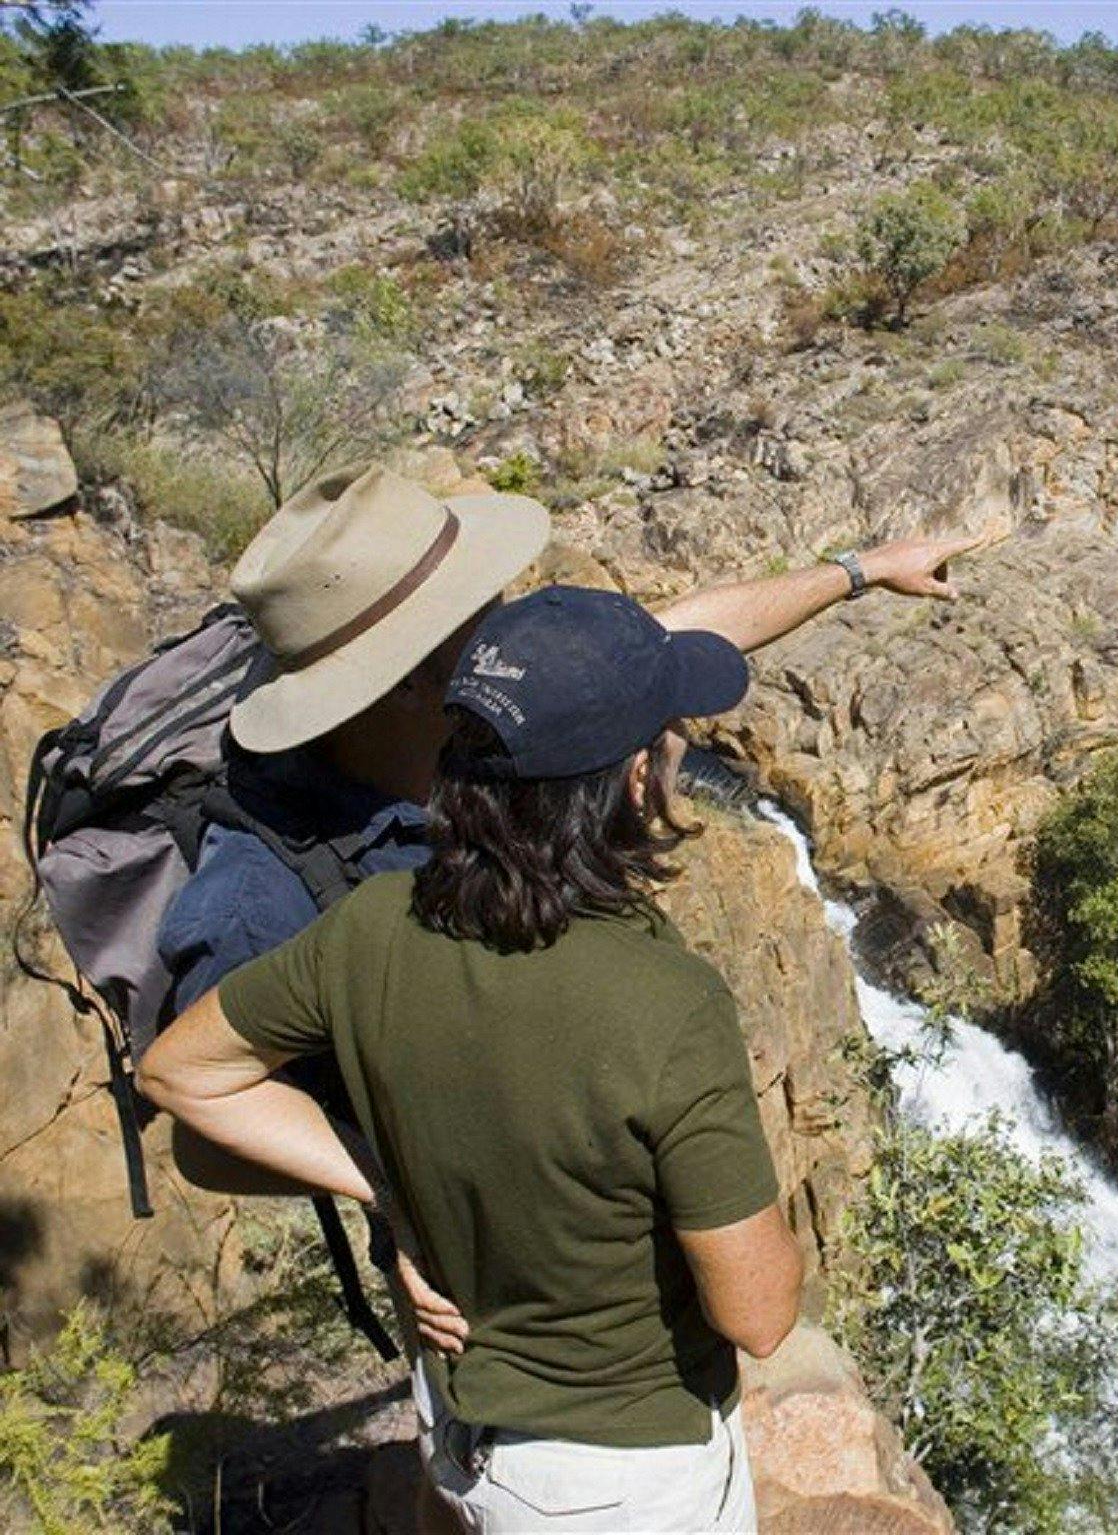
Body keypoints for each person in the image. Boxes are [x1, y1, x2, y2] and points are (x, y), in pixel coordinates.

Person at [140, 587, 801, 1533]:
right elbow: (760, 1316)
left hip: (462, 1430)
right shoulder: (666, 1004)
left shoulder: (370, 924)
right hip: (624, 1478)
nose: (679, 755)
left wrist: (386, 1184)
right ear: (634, 784)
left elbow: (179, 1072)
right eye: (669, 737)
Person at [158, 462, 981, 1197]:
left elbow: (655, 645)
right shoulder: (254, 894)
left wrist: (861, 570)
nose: (506, 622)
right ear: (405, 677)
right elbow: (209, 1142)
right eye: (474, 611)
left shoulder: (466, 717)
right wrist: (402, 1196)